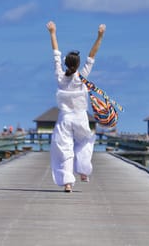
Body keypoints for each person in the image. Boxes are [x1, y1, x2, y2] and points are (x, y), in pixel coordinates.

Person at [46, 20, 106, 193]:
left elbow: (55, 54)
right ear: (77, 65)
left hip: (65, 118)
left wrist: (52, 32)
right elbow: (92, 56)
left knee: (64, 149)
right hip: (80, 117)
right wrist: (100, 36)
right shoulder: (82, 76)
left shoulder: (60, 76)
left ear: (66, 64)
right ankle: (83, 171)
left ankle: (67, 184)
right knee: (85, 141)